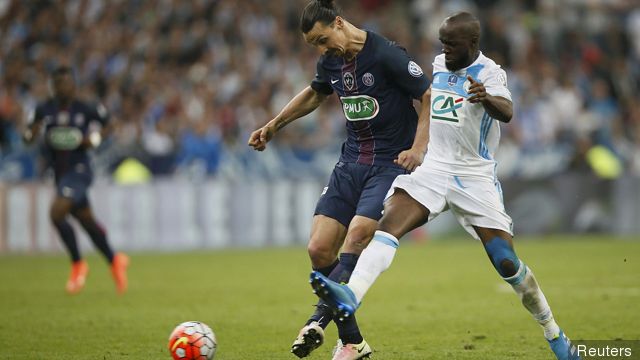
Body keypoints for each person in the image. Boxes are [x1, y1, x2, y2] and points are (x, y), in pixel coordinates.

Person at [309, 12, 581, 360]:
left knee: (507, 264)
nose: (445, 50)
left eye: (452, 44)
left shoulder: (490, 72)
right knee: (389, 223)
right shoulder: (439, 63)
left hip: (474, 176)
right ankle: (351, 295)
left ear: (472, 44)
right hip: (434, 168)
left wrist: (487, 99)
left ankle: (554, 333)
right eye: (442, 43)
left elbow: (508, 111)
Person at [247, 0, 430, 358]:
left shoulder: (387, 54)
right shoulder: (331, 60)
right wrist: (273, 126)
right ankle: (353, 342)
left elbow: (426, 93)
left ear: (339, 23)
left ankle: (316, 320)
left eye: (322, 38)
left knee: (359, 235)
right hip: (350, 163)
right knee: (318, 249)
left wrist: (420, 147)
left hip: (389, 163)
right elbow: (316, 92)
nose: (321, 48)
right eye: (314, 44)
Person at [23, 66, 129, 295]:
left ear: (74, 85)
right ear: (53, 87)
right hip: (60, 174)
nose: (64, 87)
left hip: (80, 170)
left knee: (56, 213)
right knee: (86, 221)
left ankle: (78, 264)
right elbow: (27, 136)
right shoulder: (43, 109)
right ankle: (114, 260)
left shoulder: (86, 107)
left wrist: (96, 137)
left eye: (68, 82)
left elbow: (110, 124)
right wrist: (31, 133)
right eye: (59, 83)